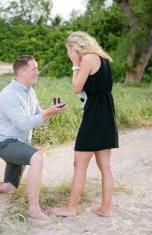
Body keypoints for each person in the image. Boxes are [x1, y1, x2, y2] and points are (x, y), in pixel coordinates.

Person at [0, 54, 66, 220]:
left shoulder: (30, 92)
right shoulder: (9, 94)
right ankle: (33, 209)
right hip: (7, 144)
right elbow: (24, 123)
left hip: (20, 144)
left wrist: (52, 111)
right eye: (34, 69)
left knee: (9, 188)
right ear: (22, 72)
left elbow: (38, 118)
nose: (37, 72)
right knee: (37, 157)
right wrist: (48, 112)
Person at [51, 31, 119, 217]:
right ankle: (106, 209)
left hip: (95, 117)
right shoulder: (103, 58)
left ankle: (71, 208)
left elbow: (76, 88)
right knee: (105, 166)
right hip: (106, 114)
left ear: (75, 47)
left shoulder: (88, 58)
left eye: (68, 49)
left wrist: (75, 64)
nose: (68, 53)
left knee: (79, 164)